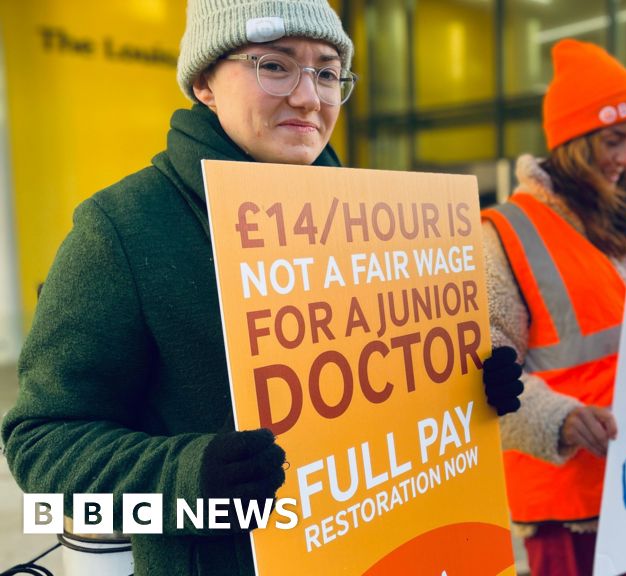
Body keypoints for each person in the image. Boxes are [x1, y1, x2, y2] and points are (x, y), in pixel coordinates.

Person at [0, 1, 522, 574]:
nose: (309, 96)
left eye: (327, 72)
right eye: (274, 65)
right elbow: (40, 448)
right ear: (204, 82)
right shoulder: (123, 228)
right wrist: (187, 477)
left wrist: (462, 386)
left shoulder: (375, 221)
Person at [481, 39, 626, 576]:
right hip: (567, 505)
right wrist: (557, 419)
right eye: (613, 140)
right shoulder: (505, 233)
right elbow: (483, 373)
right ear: (573, 141)